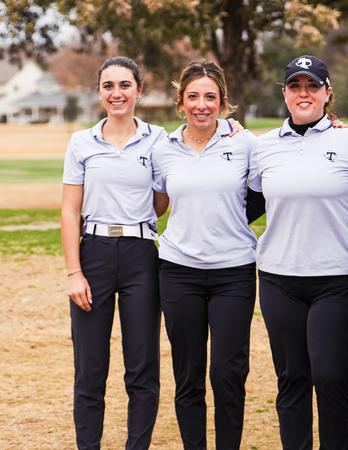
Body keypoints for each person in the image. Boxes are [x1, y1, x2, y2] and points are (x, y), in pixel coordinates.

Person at [249, 55, 348, 450]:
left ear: (327, 92)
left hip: (336, 277)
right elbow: (250, 203)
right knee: (292, 379)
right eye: (296, 86)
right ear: (284, 93)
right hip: (279, 278)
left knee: (332, 377)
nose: (304, 93)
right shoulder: (261, 147)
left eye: (312, 86)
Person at [151, 60, 260, 450]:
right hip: (179, 272)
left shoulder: (244, 142)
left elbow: (271, 182)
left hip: (234, 272)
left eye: (210, 97)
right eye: (193, 96)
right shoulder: (162, 148)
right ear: (180, 101)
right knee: (189, 375)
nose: (202, 104)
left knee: (228, 374)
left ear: (223, 102)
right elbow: (156, 204)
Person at [61, 56, 163, 450]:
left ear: (139, 89)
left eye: (125, 85)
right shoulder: (81, 142)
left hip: (141, 255)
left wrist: (234, 125)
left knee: (141, 369)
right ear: (100, 91)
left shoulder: (158, 140)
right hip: (94, 254)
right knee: (90, 368)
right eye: (108, 86)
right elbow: (70, 209)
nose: (116, 93)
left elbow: (161, 202)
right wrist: (74, 272)